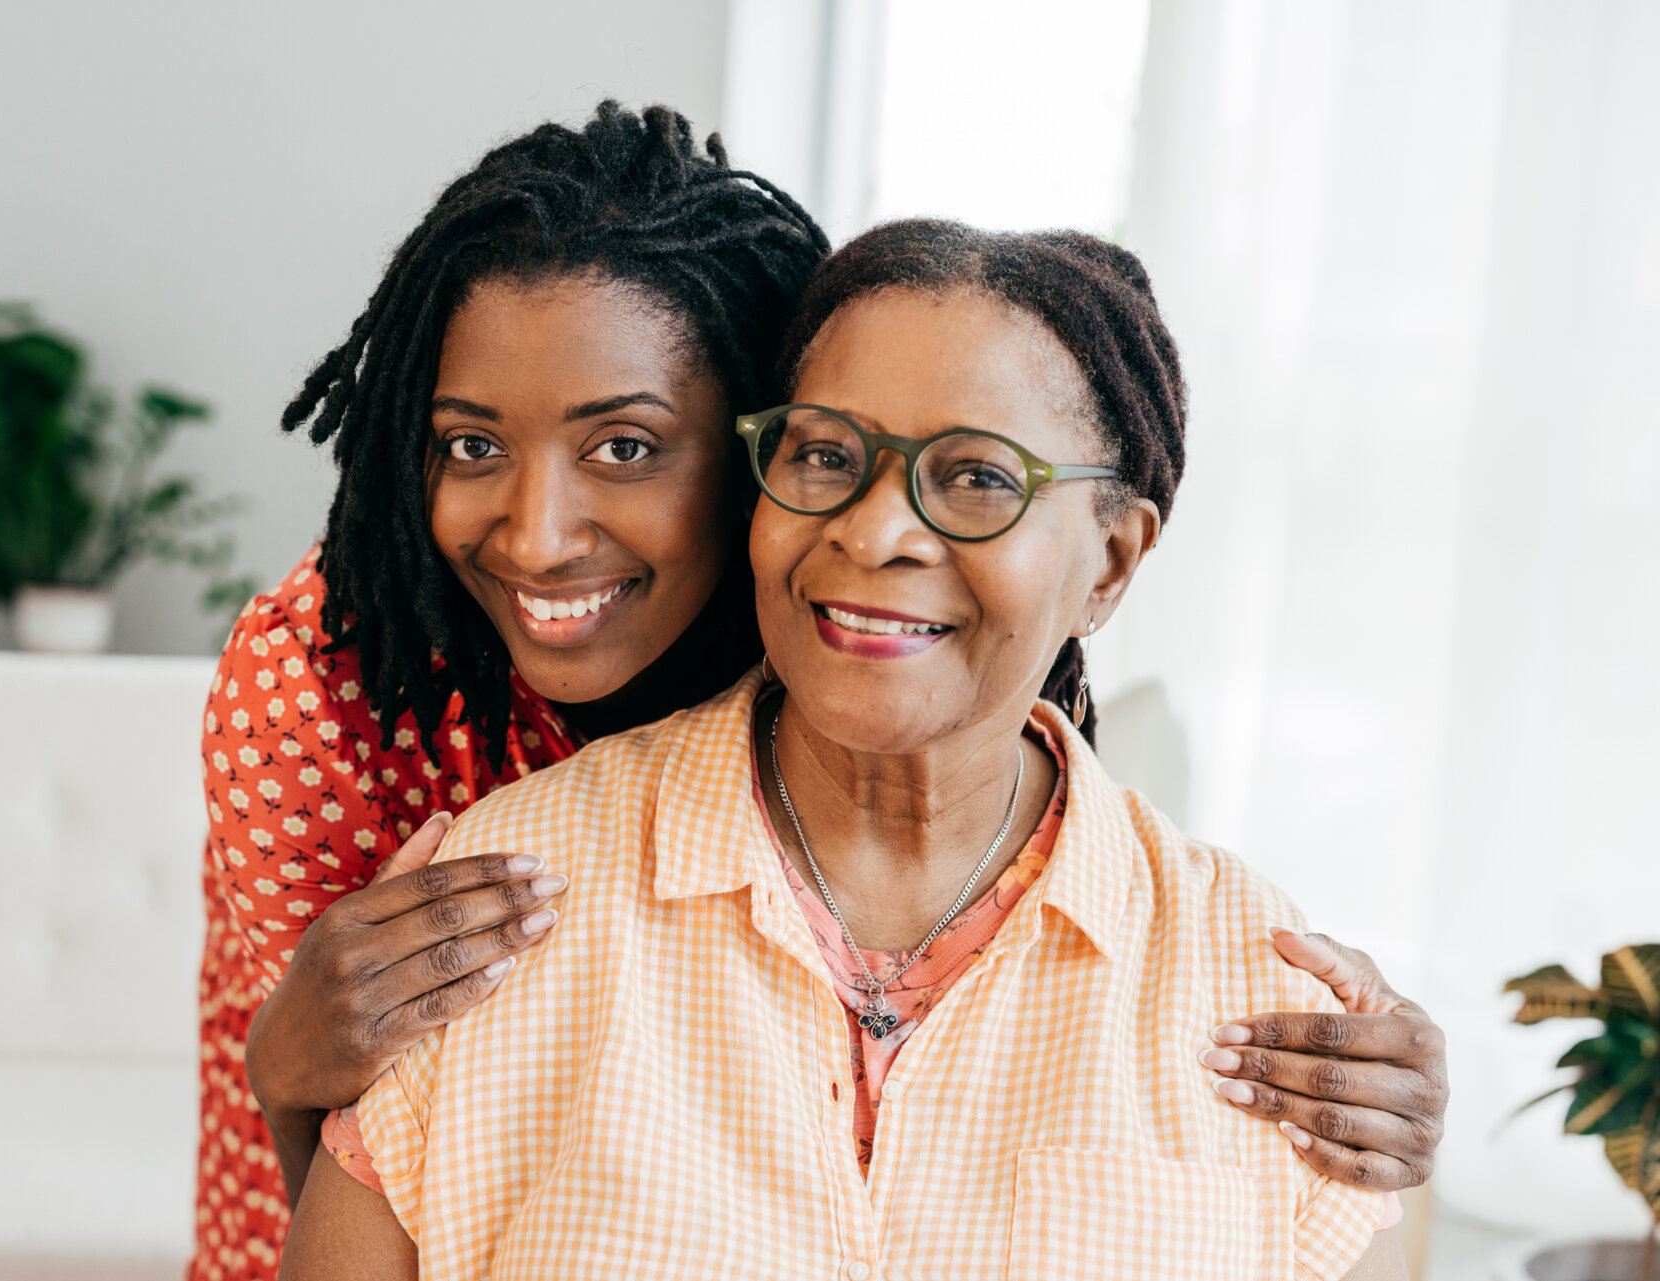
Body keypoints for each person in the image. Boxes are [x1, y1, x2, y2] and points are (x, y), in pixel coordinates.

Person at [197, 108, 1444, 1276]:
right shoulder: (389, 767)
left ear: (1112, 560)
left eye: (976, 479)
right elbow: (358, 1142)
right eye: (830, 458)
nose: (539, 535)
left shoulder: (1243, 978)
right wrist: (288, 1062)